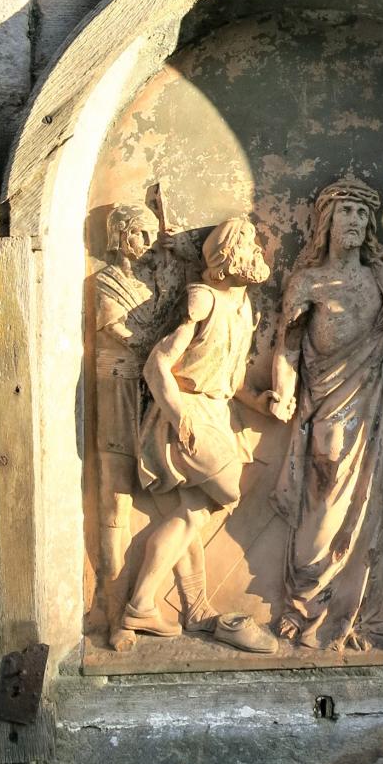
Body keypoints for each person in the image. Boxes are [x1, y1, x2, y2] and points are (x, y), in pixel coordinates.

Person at [269, 176, 383, 652]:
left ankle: (366, 615)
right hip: (327, 406)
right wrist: (282, 392)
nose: (354, 220)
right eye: (345, 211)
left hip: (381, 414)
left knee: (376, 514)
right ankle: (307, 606)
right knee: (323, 504)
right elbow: (288, 346)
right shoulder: (307, 282)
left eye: (361, 213)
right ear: (326, 221)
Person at [111, 217, 275, 653]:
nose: (257, 253)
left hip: (218, 412)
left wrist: (261, 403)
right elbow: (157, 365)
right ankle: (147, 605)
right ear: (228, 256)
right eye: (249, 246)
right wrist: (179, 415)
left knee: (191, 515)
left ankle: (166, 607)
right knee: (228, 489)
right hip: (188, 411)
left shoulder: (244, 308)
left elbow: (231, 378)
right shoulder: (203, 299)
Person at [93, 202, 190, 640]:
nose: (148, 243)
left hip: (155, 391)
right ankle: (113, 608)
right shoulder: (105, 281)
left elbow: (191, 305)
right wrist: (160, 343)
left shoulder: (159, 280)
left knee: (177, 498)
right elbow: (120, 331)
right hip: (119, 386)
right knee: (116, 499)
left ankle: (181, 601)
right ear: (120, 236)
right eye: (140, 234)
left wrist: (181, 253)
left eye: (153, 235)